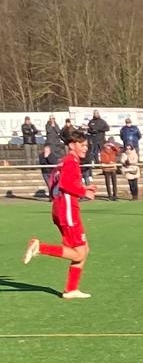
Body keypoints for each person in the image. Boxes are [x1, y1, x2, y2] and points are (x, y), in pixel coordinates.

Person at [23, 127, 94, 298]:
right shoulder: (71, 161)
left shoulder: (63, 162)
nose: (85, 148)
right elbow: (65, 185)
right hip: (68, 211)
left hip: (61, 208)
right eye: (83, 145)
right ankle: (40, 247)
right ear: (72, 144)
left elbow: (55, 184)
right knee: (79, 253)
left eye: (86, 145)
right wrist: (84, 192)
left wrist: (81, 189)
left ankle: (71, 289)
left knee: (84, 249)